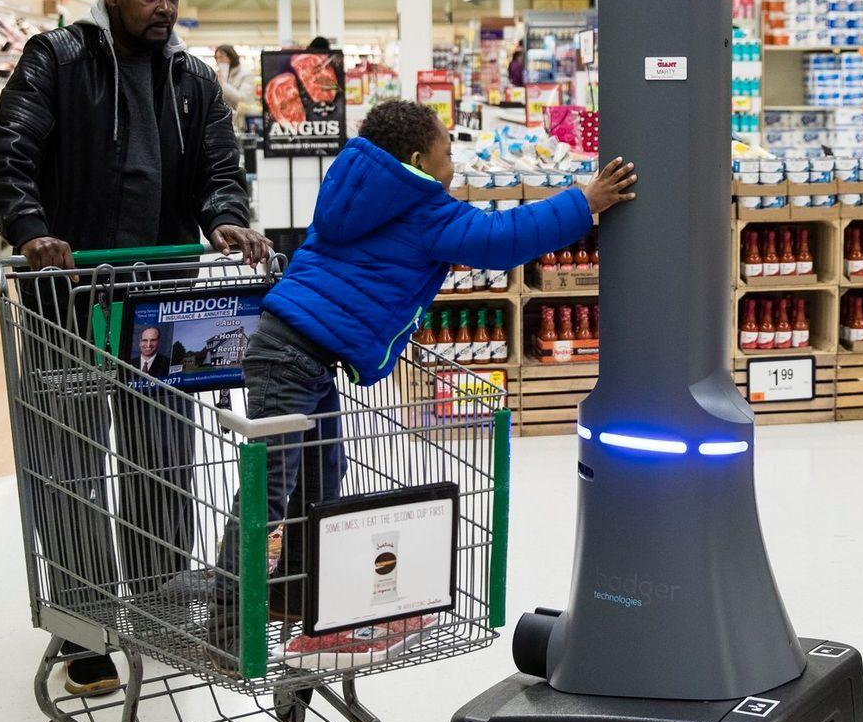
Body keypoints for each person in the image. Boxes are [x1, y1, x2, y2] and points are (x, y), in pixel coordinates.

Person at [214, 100, 636, 638]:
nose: (453, 163)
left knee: (321, 476)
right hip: (294, 356)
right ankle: (226, 624)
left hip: (298, 350)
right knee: (268, 490)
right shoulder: (424, 211)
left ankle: (290, 594)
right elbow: (503, 239)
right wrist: (584, 201)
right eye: (447, 152)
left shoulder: (353, 186)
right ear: (418, 159)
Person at [0, 0, 270, 696]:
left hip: (159, 306)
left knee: (162, 460)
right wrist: (31, 229)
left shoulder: (192, 79)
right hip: (68, 302)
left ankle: (158, 601)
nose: (165, 6)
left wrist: (225, 219)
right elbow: (4, 155)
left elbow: (220, 171)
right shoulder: (58, 60)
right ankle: (84, 626)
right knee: (71, 465)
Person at [214, 44, 260, 131]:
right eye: (217, 58)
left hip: (243, 123)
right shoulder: (220, 74)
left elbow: (244, 99)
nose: (219, 60)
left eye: (222, 57)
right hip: (224, 122)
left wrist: (223, 84)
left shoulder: (246, 74)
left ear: (231, 56)